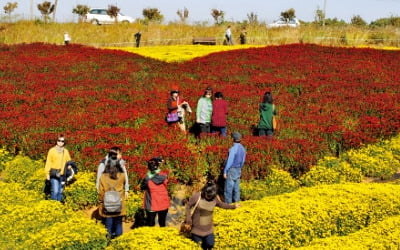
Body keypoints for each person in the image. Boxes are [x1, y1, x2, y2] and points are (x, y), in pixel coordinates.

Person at [185, 181, 240, 250]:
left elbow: (221, 204)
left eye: (211, 196)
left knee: (210, 244)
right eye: (208, 195)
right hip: (196, 230)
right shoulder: (197, 196)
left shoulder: (214, 198)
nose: (209, 197)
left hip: (208, 230)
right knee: (198, 246)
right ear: (205, 191)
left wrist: (233, 206)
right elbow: (188, 206)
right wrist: (188, 220)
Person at [98, 157, 126, 239]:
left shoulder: (103, 177)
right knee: (118, 224)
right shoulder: (122, 176)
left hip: (107, 204)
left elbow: (101, 192)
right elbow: (123, 187)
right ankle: (119, 242)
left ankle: (108, 243)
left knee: (108, 225)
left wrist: (101, 202)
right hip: (119, 203)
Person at [140, 157, 170, 227]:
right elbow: (166, 183)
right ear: (158, 166)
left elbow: (142, 187)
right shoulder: (164, 176)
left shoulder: (147, 179)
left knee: (150, 224)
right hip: (163, 203)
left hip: (151, 204)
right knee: (162, 224)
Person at [44, 134, 72, 201]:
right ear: (56, 141)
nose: (60, 142)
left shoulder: (65, 151)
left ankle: (58, 207)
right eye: (59, 140)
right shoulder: (52, 151)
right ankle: (53, 206)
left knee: (60, 192)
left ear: (64, 142)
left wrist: (70, 166)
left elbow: (69, 161)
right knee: (55, 191)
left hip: (63, 174)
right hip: (54, 174)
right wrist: (47, 173)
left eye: (62, 141)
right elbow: (48, 162)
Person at [223, 132, 246, 204]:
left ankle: (228, 204)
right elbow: (243, 161)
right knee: (236, 188)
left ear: (232, 139)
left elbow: (229, 161)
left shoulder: (232, 149)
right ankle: (237, 202)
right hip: (238, 169)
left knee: (228, 189)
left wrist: (225, 171)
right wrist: (240, 167)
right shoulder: (243, 148)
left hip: (232, 169)